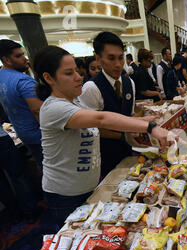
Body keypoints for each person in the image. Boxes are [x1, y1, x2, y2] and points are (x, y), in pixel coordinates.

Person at [34, 45, 177, 229]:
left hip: (90, 186)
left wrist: (140, 121)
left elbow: (106, 120)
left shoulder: (75, 100)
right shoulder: (53, 108)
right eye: (69, 73)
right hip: (65, 194)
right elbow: (101, 119)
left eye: (77, 71)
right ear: (48, 78)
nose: (79, 77)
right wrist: (150, 127)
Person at [78, 32, 137, 178]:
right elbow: (90, 127)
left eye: (120, 57)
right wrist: (122, 136)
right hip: (104, 153)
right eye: (111, 58)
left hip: (128, 151)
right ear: (98, 59)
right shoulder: (91, 88)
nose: (118, 64)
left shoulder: (130, 83)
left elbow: (130, 114)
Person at [0, 39, 44, 169]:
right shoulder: (23, 81)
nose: (25, 59)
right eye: (18, 56)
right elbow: (38, 111)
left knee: (43, 167)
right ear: (6, 60)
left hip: (23, 133)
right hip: (39, 135)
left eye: (23, 54)